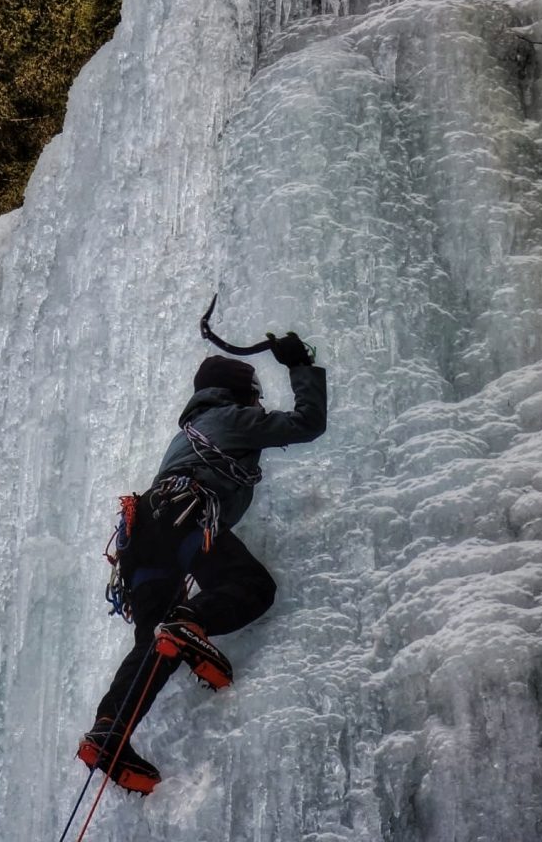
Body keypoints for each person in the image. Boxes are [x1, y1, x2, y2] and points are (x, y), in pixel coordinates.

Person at [78, 333, 327, 793]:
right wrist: (299, 364)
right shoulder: (230, 418)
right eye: (253, 391)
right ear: (238, 392)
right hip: (184, 517)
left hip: (141, 538)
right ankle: (189, 623)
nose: (257, 399)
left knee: (153, 644)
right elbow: (307, 423)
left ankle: (110, 731)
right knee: (251, 587)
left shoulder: (186, 434)